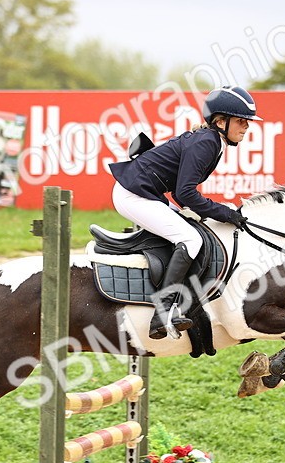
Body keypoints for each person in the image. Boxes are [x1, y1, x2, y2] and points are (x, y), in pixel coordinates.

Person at [108, 85, 257, 339]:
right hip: (132, 195)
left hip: (143, 193)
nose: (247, 127)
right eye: (242, 121)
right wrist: (225, 213)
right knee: (190, 239)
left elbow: (180, 193)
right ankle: (162, 311)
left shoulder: (213, 141)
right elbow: (186, 194)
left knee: (194, 232)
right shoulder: (207, 142)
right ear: (221, 121)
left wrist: (215, 212)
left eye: (248, 122)